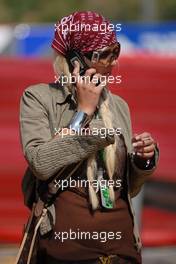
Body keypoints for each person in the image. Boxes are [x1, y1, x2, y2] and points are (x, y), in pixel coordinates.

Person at [19, 11, 159, 264]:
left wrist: (142, 161)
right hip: (66, 251)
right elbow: (40, 162)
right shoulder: (38, 98)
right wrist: (84, 112)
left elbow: (129, 190)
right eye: (103, 55)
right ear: (75, 59)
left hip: (121, 249)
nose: (113, 62)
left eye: (115, 52)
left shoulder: (119, 106)